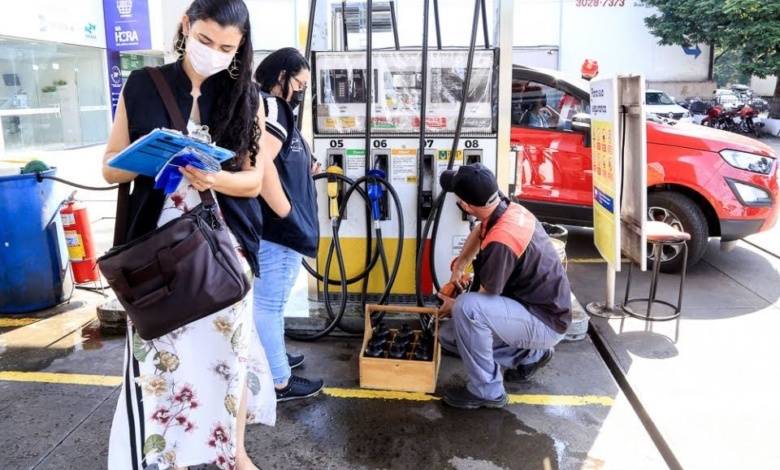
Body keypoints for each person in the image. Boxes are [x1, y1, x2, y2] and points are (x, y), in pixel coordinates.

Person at [101, 1, 274, 468]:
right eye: (204, 40)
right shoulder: (142, 85)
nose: (213, 53)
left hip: (222, 247)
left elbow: (254, 181)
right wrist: (151, 156)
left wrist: (211, 178)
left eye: (226, 47)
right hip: (155, 252)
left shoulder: (245, 95)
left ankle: (234, 453)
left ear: (239, 48)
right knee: (158, 360)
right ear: (186, 26)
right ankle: (159, 454)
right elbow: (109, 167)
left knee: (228, 355)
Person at [436, 163, 572, 410]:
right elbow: (480, 231)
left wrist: (451, 305)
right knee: (448, 337)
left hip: (544, 321)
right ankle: (532, 355)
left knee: (466, 310)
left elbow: (481, 302)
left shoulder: (502, 241)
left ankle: (488, 391)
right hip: (536, 309)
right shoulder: (507, 209)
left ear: (465, 206)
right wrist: (460, 266)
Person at [251, 48, 324, 401]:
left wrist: (303, 163)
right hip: (278, 231)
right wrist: (289, 216)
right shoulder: (275, 106)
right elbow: (261, 164)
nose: (301, 91)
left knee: (273, 302)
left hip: (272, 230)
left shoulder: (261, 105)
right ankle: (279, 381)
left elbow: (275, 159)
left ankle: (273, 357)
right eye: (300, 83)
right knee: (269, 305)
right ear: (282, 77)